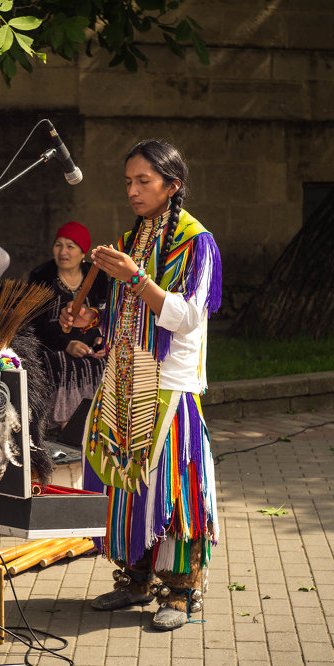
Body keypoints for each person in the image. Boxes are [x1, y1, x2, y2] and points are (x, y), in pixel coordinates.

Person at [60, 140, 222, 630]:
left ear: (172, 186)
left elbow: (188, 316)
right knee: (124, 479)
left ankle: (181, 591)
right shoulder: (132, 240)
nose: (132, 190)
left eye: (143, 181)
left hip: (170, 384)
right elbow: (130, 315)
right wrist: (94, 317)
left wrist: (134, 279)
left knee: (174, 486)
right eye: (128, 181)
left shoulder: (198, 242)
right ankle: (134, 577)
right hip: (126, 377)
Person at [28, 221, 108, 429]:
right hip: (51, 343)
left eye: (70, 246)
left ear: (83, 252)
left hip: (88, 339)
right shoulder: (41, 277)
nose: (63, 251)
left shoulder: (96, 276)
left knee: (104, 360)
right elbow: (36, 325)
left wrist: (100, 338)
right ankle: (68, 428)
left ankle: (100, 423)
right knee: (67, 363)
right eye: (58, 245)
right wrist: (66, 343)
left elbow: (104, 312)